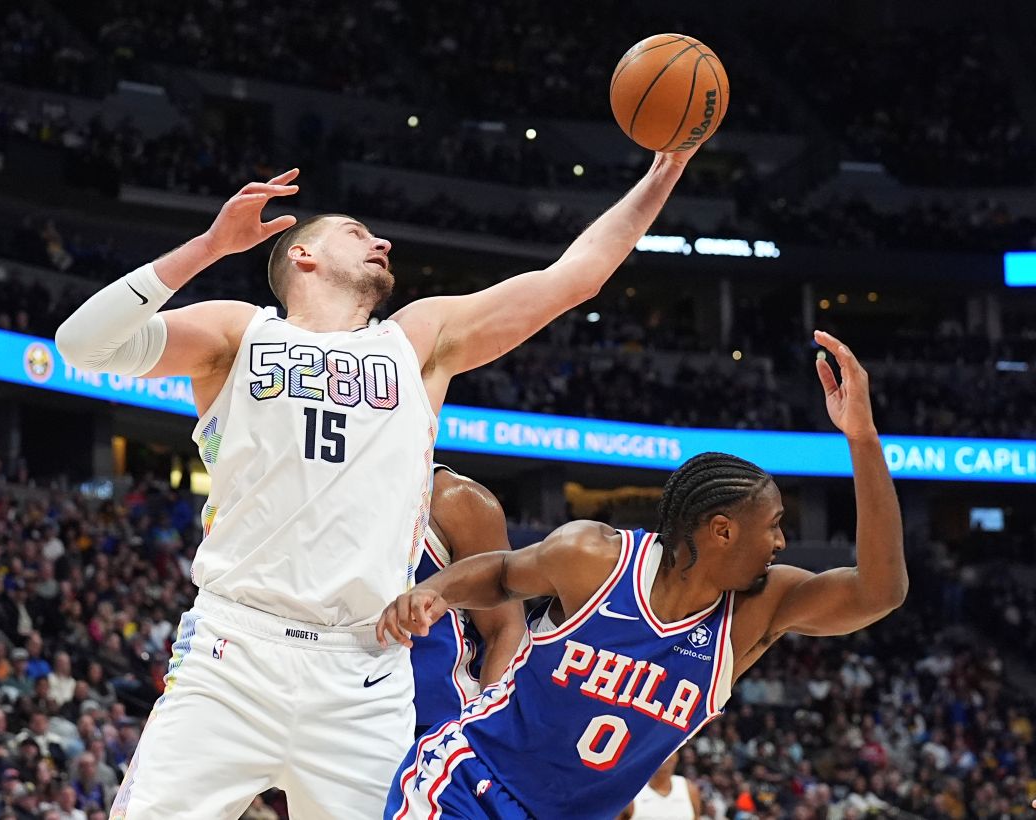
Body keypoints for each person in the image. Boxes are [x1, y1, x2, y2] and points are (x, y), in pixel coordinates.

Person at [56, 146, 698, 818]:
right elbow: (81, 345)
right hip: (232, 654)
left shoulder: (418, 341)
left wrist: (662, 174)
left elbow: (576, 277)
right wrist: (210, 246)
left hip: (363, 675)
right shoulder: (237, 332)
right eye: (357, 233)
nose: (382, 240)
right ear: (301, 255)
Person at [378, 331, 908, 820]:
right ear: (722, 531)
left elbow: (880, 591)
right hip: (467, 785)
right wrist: (433, 590)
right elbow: (502, 574)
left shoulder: (759, 610)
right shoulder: (595, 557)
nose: (782, 542)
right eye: (773, 526)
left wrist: (861, 439)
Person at [411, 467, 526, 736]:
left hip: (440, 721)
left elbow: (505, 627)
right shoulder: (316, 491)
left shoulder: (456, 499)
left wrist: (488, 729)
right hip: (334, 701)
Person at [617, 752, 700, 819]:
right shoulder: (631, 792)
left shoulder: (689, 788)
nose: (666, 757)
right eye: (662, 752)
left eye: (671, 751)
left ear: (676, 757)